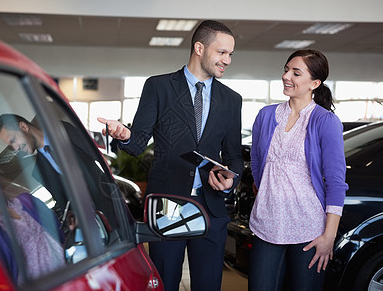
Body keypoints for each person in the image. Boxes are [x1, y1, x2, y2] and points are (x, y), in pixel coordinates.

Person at [98, 20, 243, 291]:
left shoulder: (232, 100)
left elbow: (234, 156)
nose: (227, 60)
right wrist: (124, 135)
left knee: (208, 285)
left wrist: (230, 179)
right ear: (199, 48)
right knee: (165, 282)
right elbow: (138, 142)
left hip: (210, 208)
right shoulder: (159, 87)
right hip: (167, 205)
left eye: (231, 54)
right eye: (222, 52)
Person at [248, 49, 348, 291]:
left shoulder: (325, 121)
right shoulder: (266, 115)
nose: (286, 76)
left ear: (314, 83)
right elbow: (257, 163)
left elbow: (336, 181)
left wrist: (329, 237)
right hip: (267, 225)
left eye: (296, 72)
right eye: (286, 69)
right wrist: (269, 197)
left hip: (309, 229)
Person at [0, 174, 65, 284]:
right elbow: (3, 268)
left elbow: (57, 227)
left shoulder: (27, 200)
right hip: (38, 283)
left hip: (66, 266)